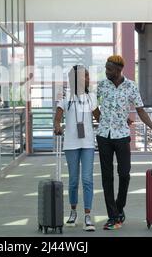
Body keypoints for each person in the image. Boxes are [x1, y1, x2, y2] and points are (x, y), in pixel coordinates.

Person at [92, 55, 152, 230]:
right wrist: (101, 119)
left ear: (118, 70)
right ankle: (112, 216)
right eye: (106, 68)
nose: (106, 71)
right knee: (107, 177)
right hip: (103, 136)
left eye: (109, 69)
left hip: (122, 136)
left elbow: (140, 110)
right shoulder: (101, 85)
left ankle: (119, 206)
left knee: (124, 174)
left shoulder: (131, 86)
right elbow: (92, 104)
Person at [54, 65, 97, 232]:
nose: (87, 79)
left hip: (87, 144)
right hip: (71, 144)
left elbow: (99, 116)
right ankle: (73, 212)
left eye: (87, 76)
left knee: (87, 179)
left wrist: (120, 120)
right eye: (84, 76)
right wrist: (57, 126)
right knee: (73, 181)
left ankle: (87, 215)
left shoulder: (91, 97)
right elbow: (57, 117)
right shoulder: (65, 97)